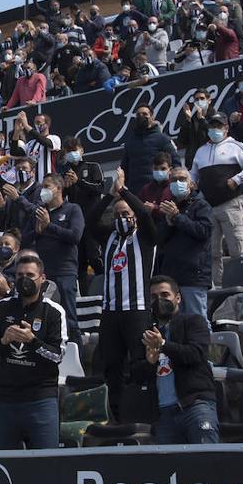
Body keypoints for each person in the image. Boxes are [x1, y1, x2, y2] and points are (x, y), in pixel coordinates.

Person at [0, 252, 66, 450]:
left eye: (29, 275)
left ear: (42, 279)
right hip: (5, 400)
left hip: (41, 400)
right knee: (2, 465)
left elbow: (57, 355)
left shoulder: (53, 311)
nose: (24, 280)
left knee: (46, 464)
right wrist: (3, 340)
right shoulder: (0, 309)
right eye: (19, 276)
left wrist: (33, 341)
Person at [86, 168, 155, 420]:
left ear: (134, 216)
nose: (121, 217)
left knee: (138, 364)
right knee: (112, 366)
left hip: (136, 310)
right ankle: (117, 414)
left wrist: (124, 190)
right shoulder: (109, 237)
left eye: (126, 213)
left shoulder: (145, 236)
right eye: (117, 214)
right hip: (111, 312)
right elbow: (91, 220)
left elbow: (146, 214)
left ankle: (142, 410)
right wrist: (110, 195)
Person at [135, 276, 218, 444]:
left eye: (165, 295)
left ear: (177, 298)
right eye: (153, 297)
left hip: (195, 405)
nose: (159, 300)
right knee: (169, 469)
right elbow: (135, 374)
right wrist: (150, 363)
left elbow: (196, 354)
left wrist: (164, 344)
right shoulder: (147, 333)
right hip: (163, 414)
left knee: (207, 463)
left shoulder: (194, 322)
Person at [13, 174, 85, 343]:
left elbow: (75, 237)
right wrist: (37, 231)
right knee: (41, 318)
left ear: (59, 188)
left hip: (65, 272)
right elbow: (23, 240)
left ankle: (77, 361)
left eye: (47, 186)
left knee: (69, 319)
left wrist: (49, 226)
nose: (42, 191)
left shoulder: (73, 209)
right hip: (43, 275)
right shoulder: (39, 212)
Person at [190, 113, 243, 287]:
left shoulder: (235, 146)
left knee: (237, 247)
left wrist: (236, 180)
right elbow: (194, 174)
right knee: (212, 251)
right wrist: (191, 185)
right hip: (207, 205)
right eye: (212, 126)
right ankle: (218, 285)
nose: (215, 130)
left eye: (219, 126)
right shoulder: (201, 150)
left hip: (230, 203)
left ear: (226, 128)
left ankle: (242, 284)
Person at [150, 166, 214, 322]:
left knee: (198, 322)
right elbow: (158, 239)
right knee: (173, 324)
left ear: (191, 184)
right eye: (174, 180)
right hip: (171, 278)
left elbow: (203, 231)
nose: (178, 183)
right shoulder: (168, 206)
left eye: (182, 179)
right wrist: (168, 222)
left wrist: (177, 217)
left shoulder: (201, 205)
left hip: (193, 276)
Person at [119, 105, 180, 196]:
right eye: (138, 115)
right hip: (135, 191)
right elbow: (124, 168)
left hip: (158, 190)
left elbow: (175, 163)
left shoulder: (162, 138)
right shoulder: (130, 142)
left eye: (145, 114)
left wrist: (174, 184)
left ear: (152, 116)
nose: (141, 116)